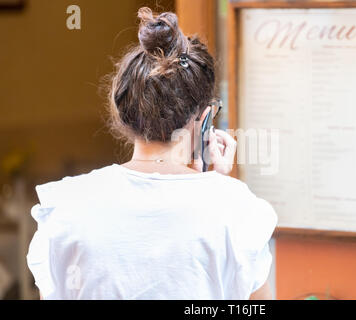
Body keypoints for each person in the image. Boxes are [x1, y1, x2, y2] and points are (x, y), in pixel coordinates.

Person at [26, 8, 277, 300]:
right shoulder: (237, 210)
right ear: (206, 118)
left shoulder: (65, 208)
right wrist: (216, 188)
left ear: (122, 110)